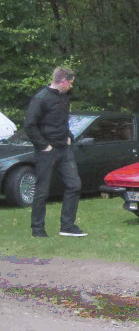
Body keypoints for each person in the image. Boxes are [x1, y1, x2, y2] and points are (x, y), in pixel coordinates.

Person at [24, 67, 84, 237]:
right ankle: (38, 229)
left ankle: (67, 226)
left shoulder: (64, 98)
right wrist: (43, 145)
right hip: (46, 151)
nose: (71, 86)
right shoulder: (41, 97)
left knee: (74, 185)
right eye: (70, 83)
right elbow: (29, 124)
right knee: (42, 190)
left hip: (64, 149)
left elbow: (63, 121)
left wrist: (69, 136)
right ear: (63, 81)